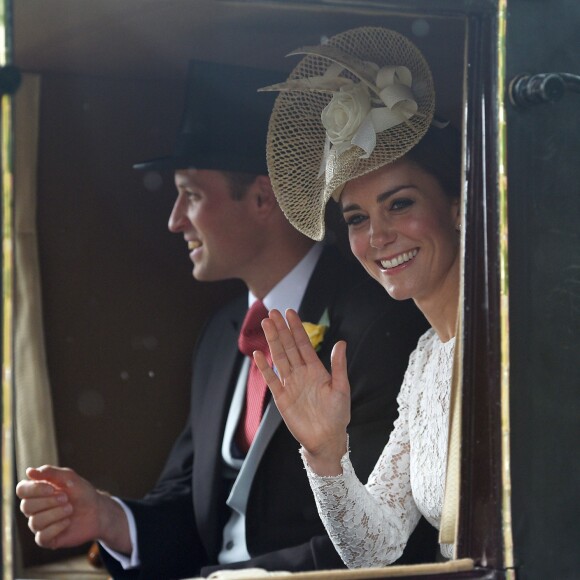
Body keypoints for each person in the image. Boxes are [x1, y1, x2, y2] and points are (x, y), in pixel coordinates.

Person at [16, 60, 434, 579]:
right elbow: (195, 507)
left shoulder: (375, 324)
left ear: (261, 197)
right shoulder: (219, 337)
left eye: (190, 194)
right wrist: (107, 517)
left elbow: (380, 536)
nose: (173, 220)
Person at [253, 27, 462, 567]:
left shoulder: (515, 338)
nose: (378, 238)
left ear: (459, 207)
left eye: (399, 204)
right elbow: (377, 548)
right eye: (356, 219)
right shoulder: (424, 362)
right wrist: (326, 454)